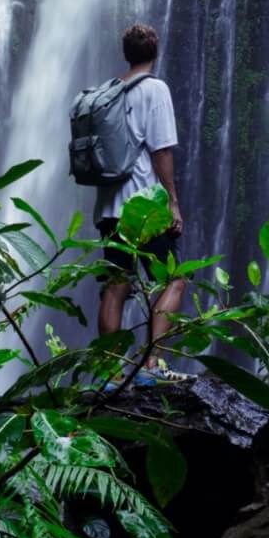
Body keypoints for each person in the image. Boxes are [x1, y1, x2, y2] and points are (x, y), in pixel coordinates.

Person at [95, 22, 186, 384]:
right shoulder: (155, 89)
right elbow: (161, 150)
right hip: (143, 207)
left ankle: (109, 373)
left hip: (109, 207)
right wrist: (172, 203)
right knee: (175, 280)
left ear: (126, 54)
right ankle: (151, 366)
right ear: (155, 52)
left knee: (116, 285)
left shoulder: (108, 92)